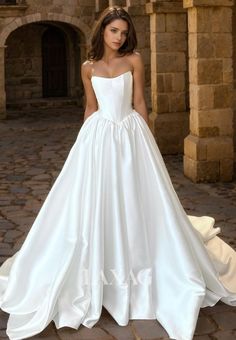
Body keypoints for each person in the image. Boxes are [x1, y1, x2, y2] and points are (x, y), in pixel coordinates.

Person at [0, 5, 236, 340]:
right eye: (114, 31)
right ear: (103, 31)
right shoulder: (87, 67)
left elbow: (139, 101)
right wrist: (83, 143)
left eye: (124, 32)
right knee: (95, 200)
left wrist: (148, 141)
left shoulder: (134, 60)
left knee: (136, 198)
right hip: (97, 136)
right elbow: (91, 107)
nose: (120, 37)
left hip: (130, 133)